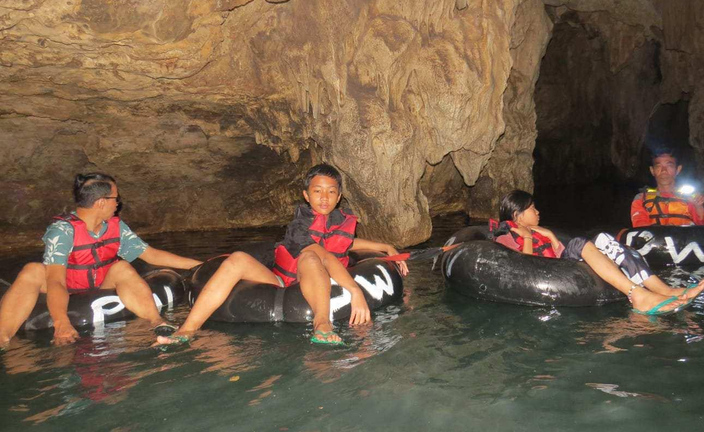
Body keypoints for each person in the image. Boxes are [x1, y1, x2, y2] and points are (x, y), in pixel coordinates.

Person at [157, 163, 409, 346]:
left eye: (331, 191)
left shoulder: (339, 220)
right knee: (239, 259)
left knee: (312, 257)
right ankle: (188, 329)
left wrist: (385, 247)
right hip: (286, 282)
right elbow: (324, 254)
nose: (324, 197)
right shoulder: (300, 227)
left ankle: (321, 325)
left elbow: (345, 242)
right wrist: (354, 290)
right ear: (306, 195)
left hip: (320, 281)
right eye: (317, 191)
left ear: (339, 196)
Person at [0, 173, 202, 350]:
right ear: (101, 202)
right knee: (32, 270)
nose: (118, 203)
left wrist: (199, 265)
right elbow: (56, 281)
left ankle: (156, 321)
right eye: (115, 198)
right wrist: (62, 322)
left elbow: (151, 255)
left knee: (121, 267)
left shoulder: (115, 227)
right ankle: (3, 337)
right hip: (67, 286)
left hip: (99, 285)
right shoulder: (62, 231)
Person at [491, 190, 704, 316]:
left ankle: (662, 288)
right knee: (578, 242)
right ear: (518, 215)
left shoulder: (541, 232)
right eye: (532, 209)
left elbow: (558, 253)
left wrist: (550, 236)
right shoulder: (506, 236)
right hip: (545, 273)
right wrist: (528, 236)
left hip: (561, 267)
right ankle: (637, 295)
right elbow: (525, 266)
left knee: (604, 238)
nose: (538, 212)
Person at [631, 147, 704, 227]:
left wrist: (698, 206)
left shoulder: (689, 197)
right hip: (655, 241)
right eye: (658, 166)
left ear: (677, 170)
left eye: (669, 166)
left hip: (684, 240)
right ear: (652, 171)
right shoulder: (641, 198)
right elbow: (640, 227)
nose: (664, 171)